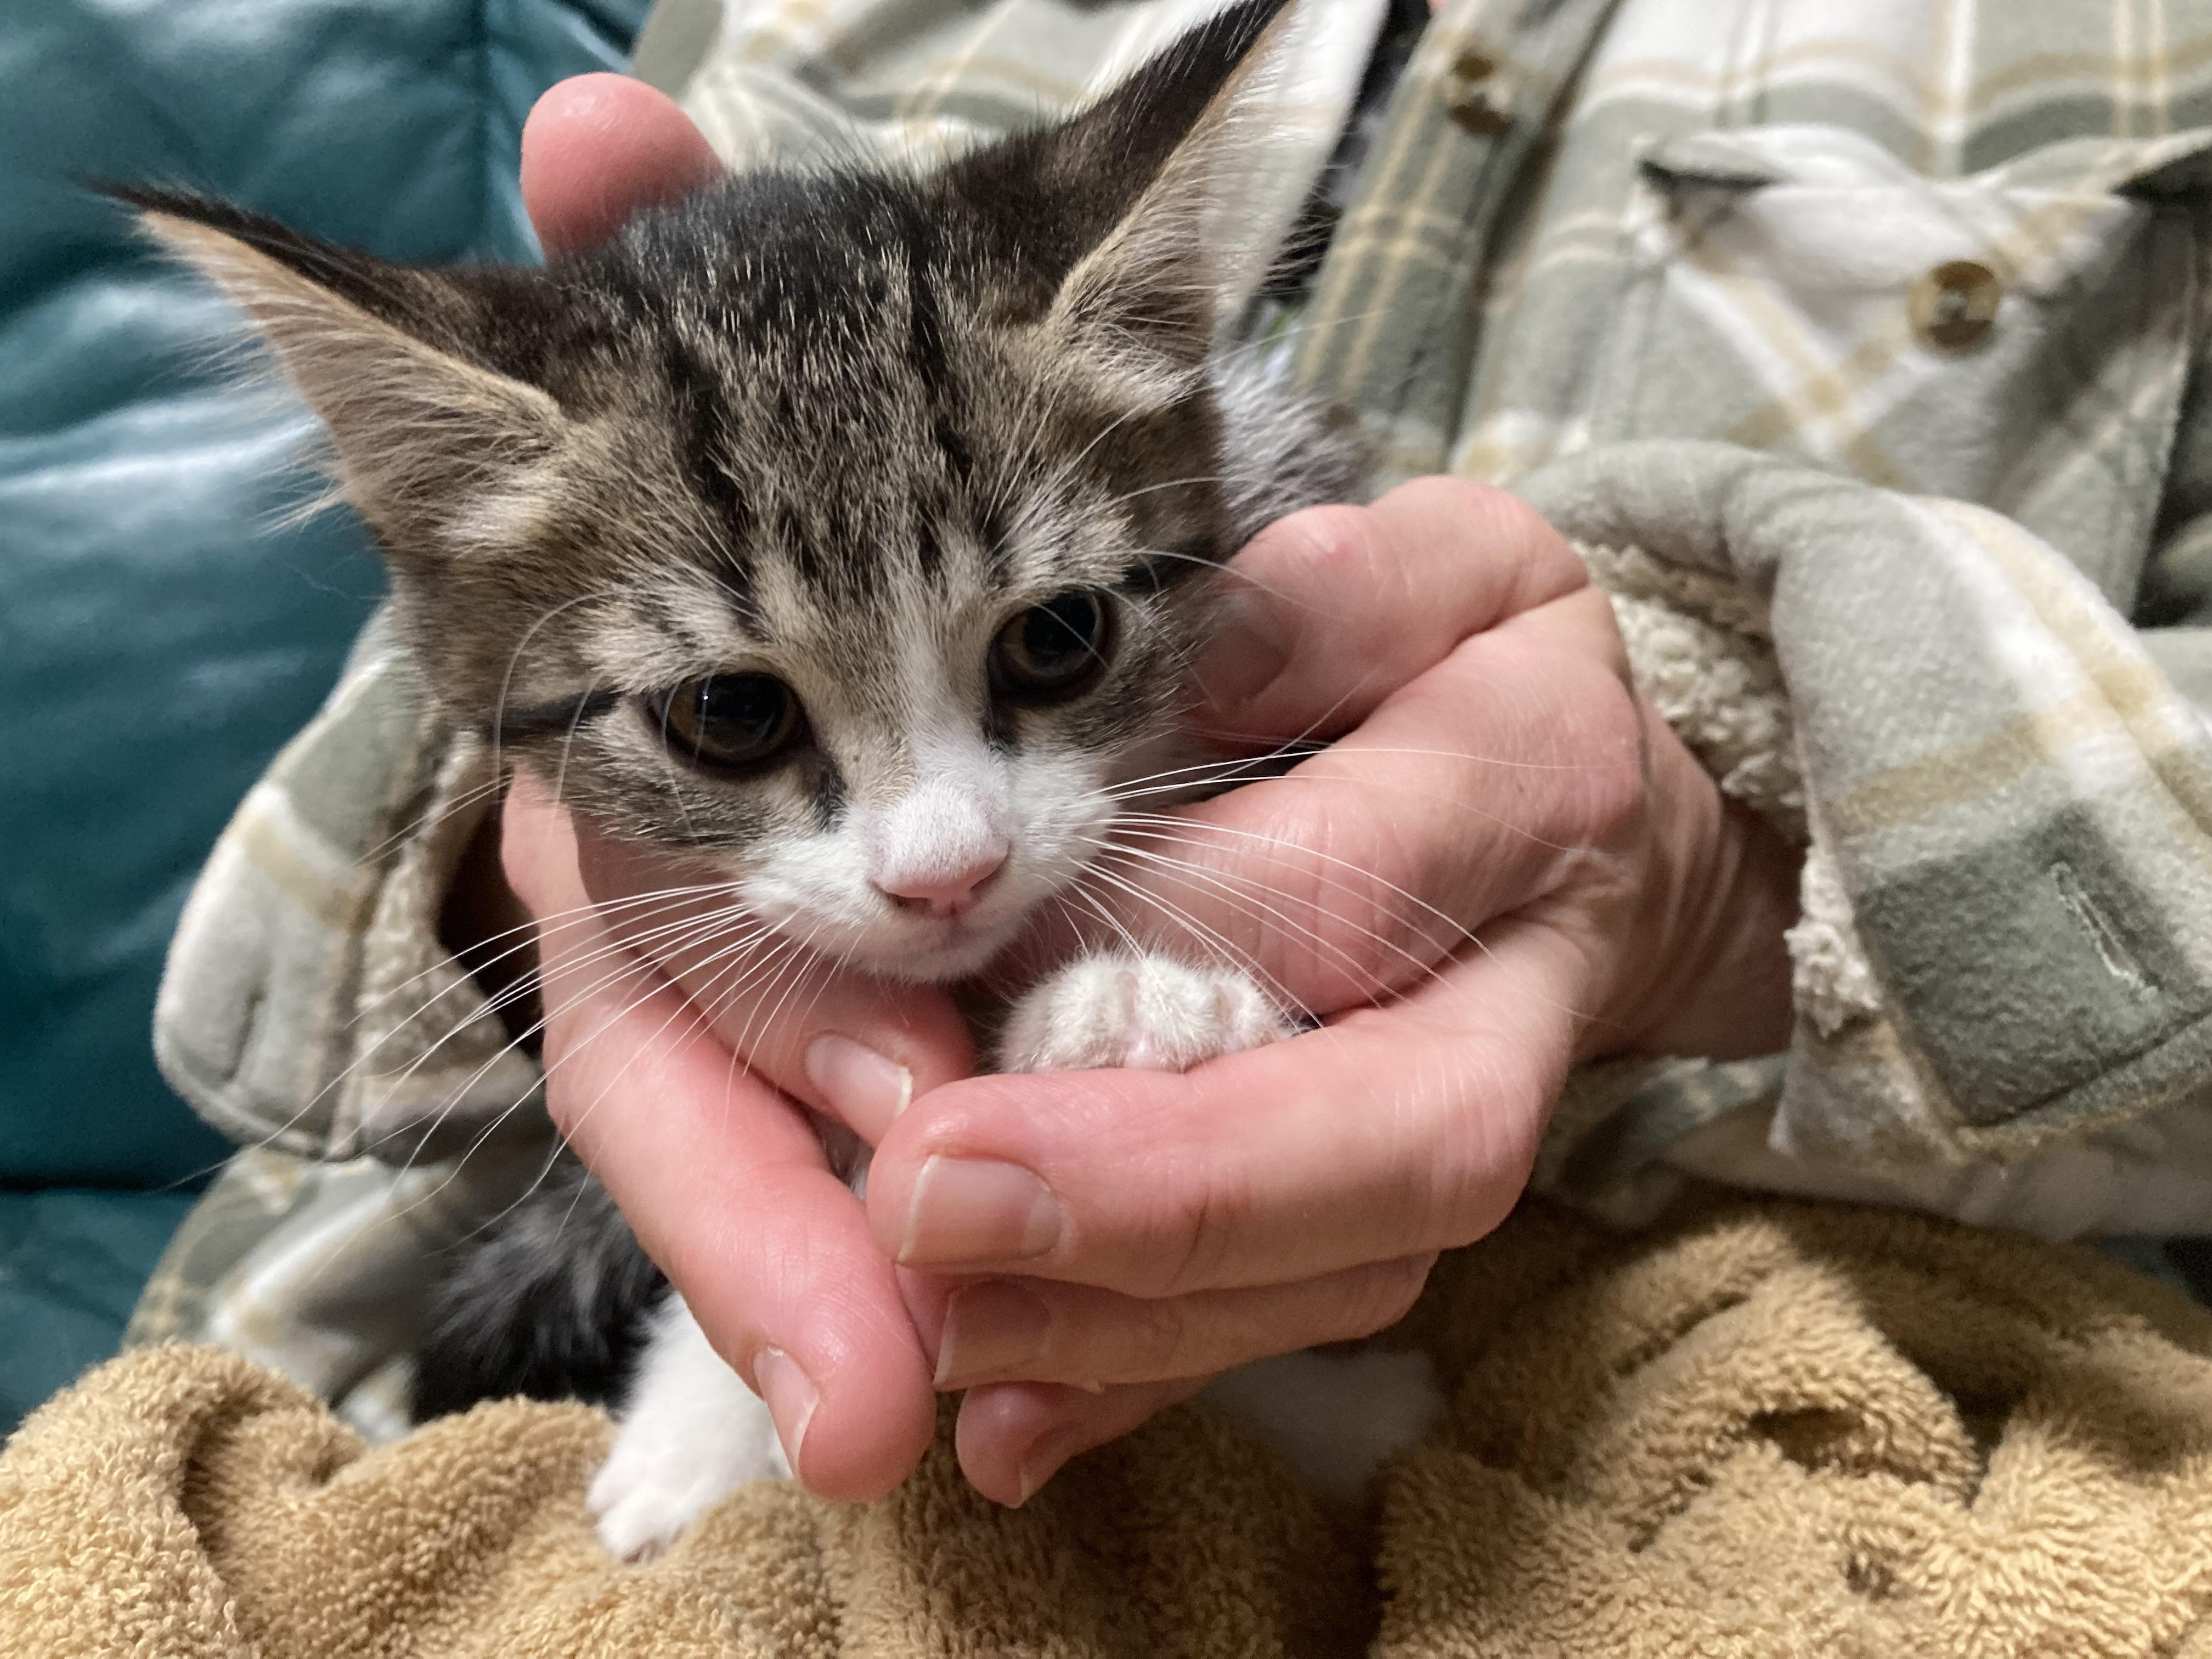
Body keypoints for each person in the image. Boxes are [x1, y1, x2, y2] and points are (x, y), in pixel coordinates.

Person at [140, 0, 2212, 1516]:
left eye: (1046, 643)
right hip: (392, 1323)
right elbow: (388, 835)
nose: (938, 852)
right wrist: (518, 885)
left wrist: (1713, 883)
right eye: (742, 707)